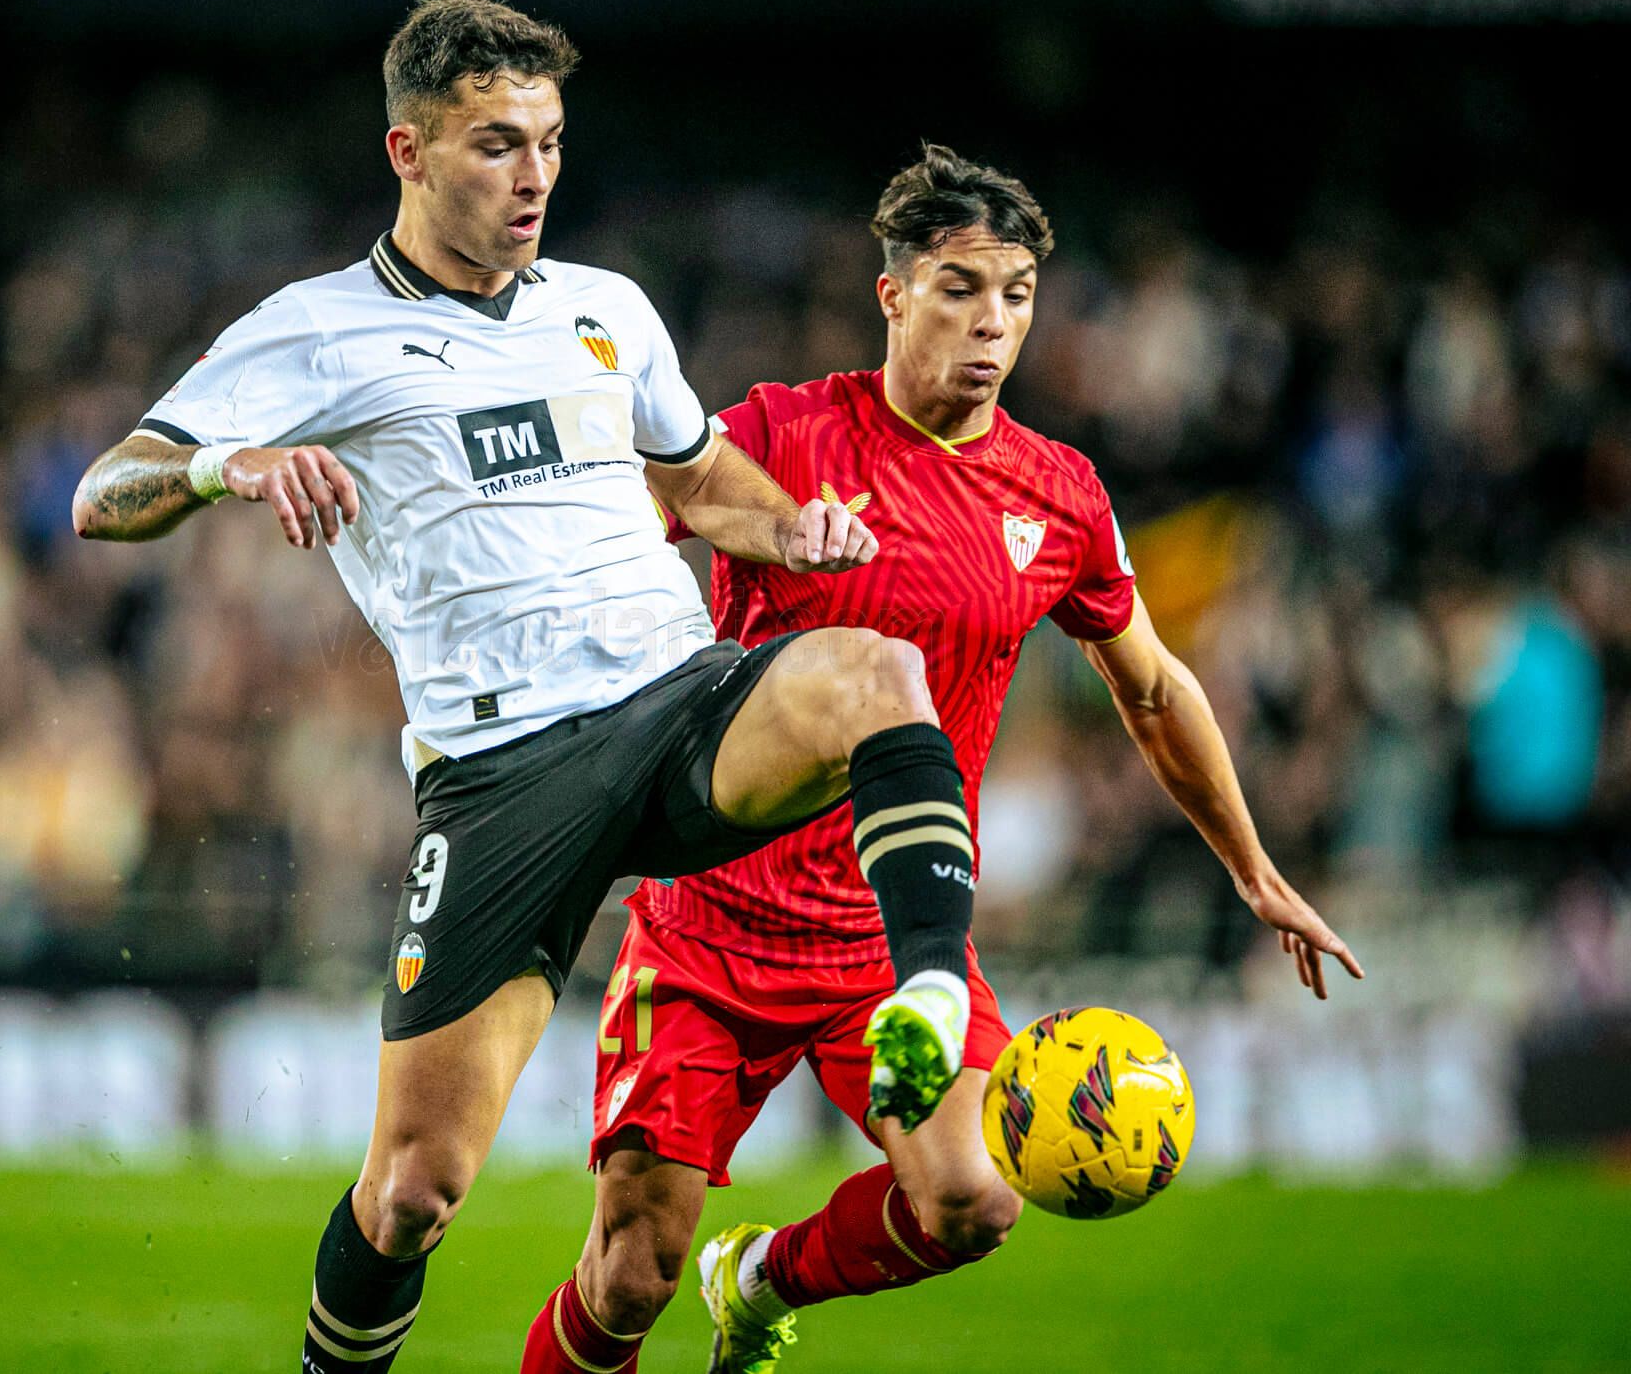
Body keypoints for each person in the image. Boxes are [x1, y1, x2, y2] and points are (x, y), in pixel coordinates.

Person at [71, 0, 991, 1374]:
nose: (535, 175)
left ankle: (927, 993)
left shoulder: (603, 310)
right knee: (412, 1192)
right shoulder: (314, 332)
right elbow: (105, 491)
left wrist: (784, 520)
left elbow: (692, 472)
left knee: (873, 669)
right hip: (504, 776)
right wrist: (228, 465)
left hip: (679, 703)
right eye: (498, 144)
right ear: (411, 152)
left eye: (550, 142)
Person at [520, 145, 1365, 1374]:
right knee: (628, 1273)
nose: (992, 322)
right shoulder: (776, 433)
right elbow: (605, 546)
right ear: (893, 293)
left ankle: (754, 1282)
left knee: (974, 1199)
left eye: (1016, 292)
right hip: (712, 928)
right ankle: (679, 1279)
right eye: (961, 286)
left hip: (890, 944)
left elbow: (1151, 686)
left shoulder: (1057, 495)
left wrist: (1251, 865)